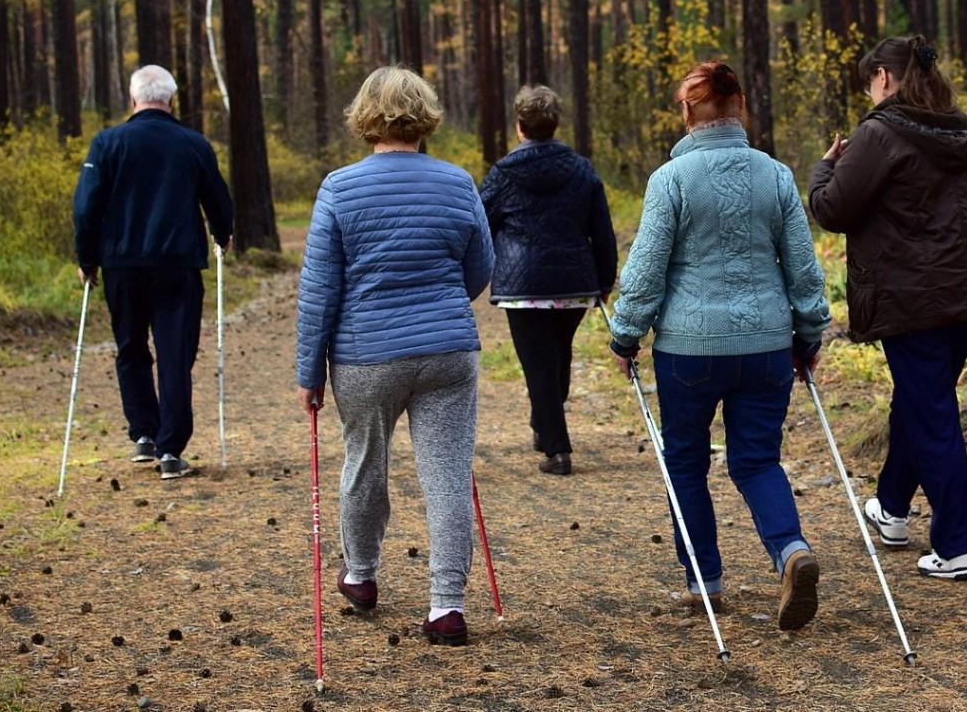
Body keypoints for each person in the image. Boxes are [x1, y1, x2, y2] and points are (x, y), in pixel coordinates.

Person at [608, 61, 832, 632]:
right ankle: (790, 551)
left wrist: (626, 332)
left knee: (685, 461)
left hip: (689, 349)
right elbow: (803, 268)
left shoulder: (671, 181)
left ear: (688, 113)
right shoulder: (776, 176)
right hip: (765, 345)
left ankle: (703, 580)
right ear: (741, 109)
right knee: (757, 460)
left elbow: (646, 270)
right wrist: (809, 333)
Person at [808, 35, 967, 581]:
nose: (870, 91)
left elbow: (831, 208)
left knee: (930, 411)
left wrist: (823, 167)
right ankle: (891, 509)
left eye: (870, 81)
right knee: (921, 400)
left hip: (910, 302)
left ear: (884, 76)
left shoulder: (878, 133)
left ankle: (959, 545)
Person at [295, 66, 493, 647]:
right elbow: (479, 268)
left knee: (364, 464)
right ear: (423, 114)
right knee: (448, 476)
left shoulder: (339, 188)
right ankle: (446, 606)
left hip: (366, 355)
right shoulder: (458, 184)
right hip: (449, 352)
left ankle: (360, 575)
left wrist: (309, 371)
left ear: (366, 116)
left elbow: (319, 291)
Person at [73, 65, 233, 481]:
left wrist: (86, 258)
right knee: (174, 355)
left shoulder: (107, 143)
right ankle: (169, 449)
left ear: (133, 99)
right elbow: (217, 194)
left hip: (122, 264)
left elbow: (86, 205)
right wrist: (223, 233)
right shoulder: (192, 143)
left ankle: (143, 433)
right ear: (170, 100)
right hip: (176, 263)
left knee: (130, 348)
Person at [479, 86, 617, 476]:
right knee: (557, 357)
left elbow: (480, 224)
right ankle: (545, 421)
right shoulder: (581, 168)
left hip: (523, 287)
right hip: (573, 282)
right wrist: (605, 278)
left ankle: (557, 450)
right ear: (554, 125)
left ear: (520, 126)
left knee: (539, 364)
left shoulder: (503, 173)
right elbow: (602, 231)